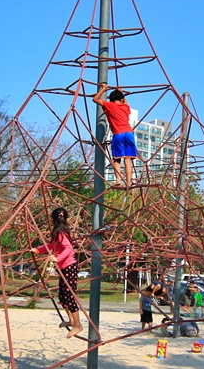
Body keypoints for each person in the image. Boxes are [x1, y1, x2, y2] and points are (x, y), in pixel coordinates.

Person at [32, 207, 83, 338]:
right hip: (64, 268)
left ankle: (78, 325)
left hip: (69, 266)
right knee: (62, 296)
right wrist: (38, 250)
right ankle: (71, 321)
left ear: (53, 219)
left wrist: (57, 258)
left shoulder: (60, 232)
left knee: (70, 297)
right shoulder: (58, 233)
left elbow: (68, 248)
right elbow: (51, 246)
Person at [92, 83, 137, 189]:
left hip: (118, 134)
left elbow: (95, 99)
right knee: (127, 159)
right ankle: (129, 182)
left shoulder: (109, 105)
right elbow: (124, 102)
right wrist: (120, 92)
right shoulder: (125, 107)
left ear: (111, 99)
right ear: (121, 99)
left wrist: (103, 89)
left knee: (117, 159)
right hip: (129, 133)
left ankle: (118, 180)